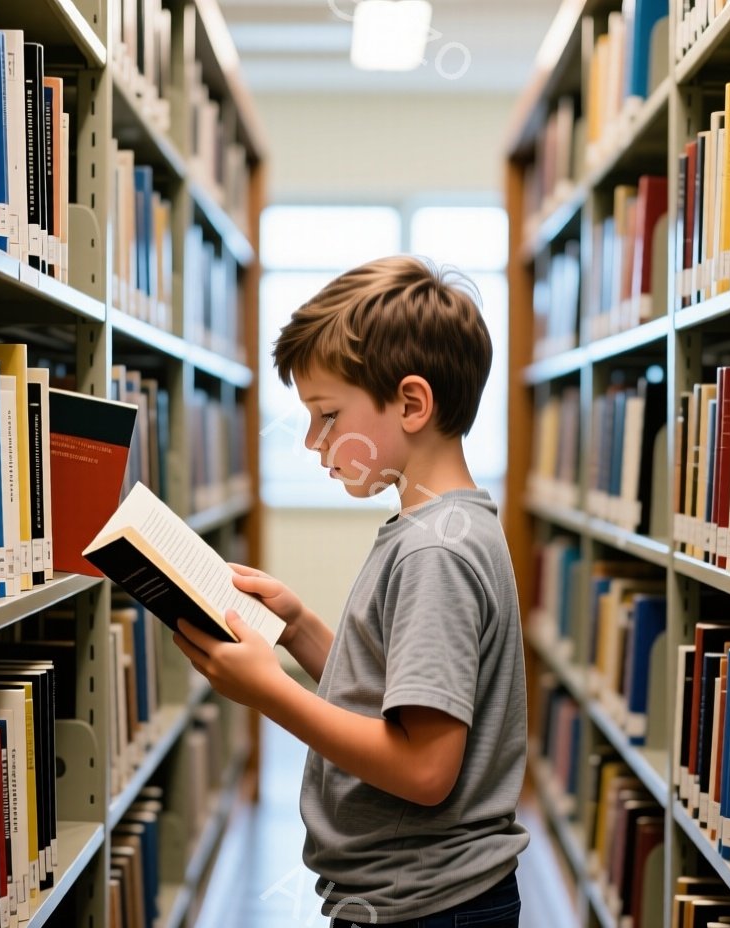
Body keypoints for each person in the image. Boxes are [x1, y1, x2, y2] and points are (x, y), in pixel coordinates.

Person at [171, 255, 529, 927]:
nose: (312, 441)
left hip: (427, 907)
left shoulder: (435, 552)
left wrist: (270, 693)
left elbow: (425, 769)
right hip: (425, 897)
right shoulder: (441, 526)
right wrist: (299, 628)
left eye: (328, 415)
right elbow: (401, 696)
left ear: (412, 404)